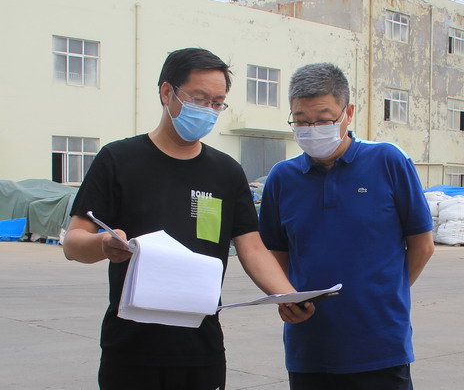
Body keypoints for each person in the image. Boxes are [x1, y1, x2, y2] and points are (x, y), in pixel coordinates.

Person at [62, 48, 313, 390]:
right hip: (131, 349)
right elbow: (73, 242)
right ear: (167, 92)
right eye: (199, 99)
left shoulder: (226, 172)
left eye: (217, 103)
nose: (208, 110)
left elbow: (252, 248)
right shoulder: (118, 160)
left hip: (200, 349)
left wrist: (289, 295)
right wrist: (103, 244)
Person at [258, 62, 435, 390]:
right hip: (309, 348)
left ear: (348, 113)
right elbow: (274, 254)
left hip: (380, 346)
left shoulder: (388, 161)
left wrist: (385, 293)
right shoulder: (282, 178)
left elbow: (422, 245)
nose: (312, 128)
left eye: (323, 119)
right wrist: (285, 298)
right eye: (301, 120)